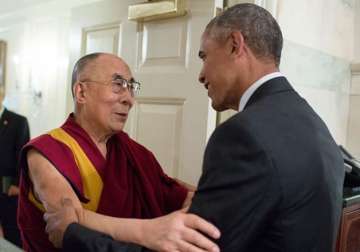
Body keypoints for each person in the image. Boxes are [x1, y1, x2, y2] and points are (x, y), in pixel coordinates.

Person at [45, 3, 345, 251]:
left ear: (234, 45)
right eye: (117, 85)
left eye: (204, 57)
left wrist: (74, 234)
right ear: (80, 92)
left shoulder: (244, 135)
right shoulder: (315, 124)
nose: (200, 75)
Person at [18, 53, 220, 252]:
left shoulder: (133, 153)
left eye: (131, 87)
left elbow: (168, 191)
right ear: (81, 93)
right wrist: (152, 231)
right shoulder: (46, 152)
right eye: (118, 84)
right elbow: (68, 227)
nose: (129, 100)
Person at [0, 85, 29, 247]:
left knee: (12, 235)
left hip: (8, 189)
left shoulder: (18, 122)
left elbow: (24, 156)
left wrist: (18, 184)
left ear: (1, 96)